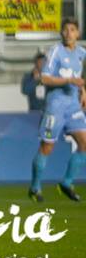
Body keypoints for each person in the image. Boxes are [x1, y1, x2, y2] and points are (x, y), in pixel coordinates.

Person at [29, 19, 86, 202]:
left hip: (74, 106)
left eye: (72, 30)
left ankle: (67, 183)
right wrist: (69, 81)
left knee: (84, 144)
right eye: (66, 30)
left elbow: (78, 77)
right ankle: (35, 187)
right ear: (61, 33)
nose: (69, 33)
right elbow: (45, 78)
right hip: (56, 107)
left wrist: (83, 91)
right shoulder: (55, 52)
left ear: (78, 33)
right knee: (47, 147)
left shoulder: (81, 53)